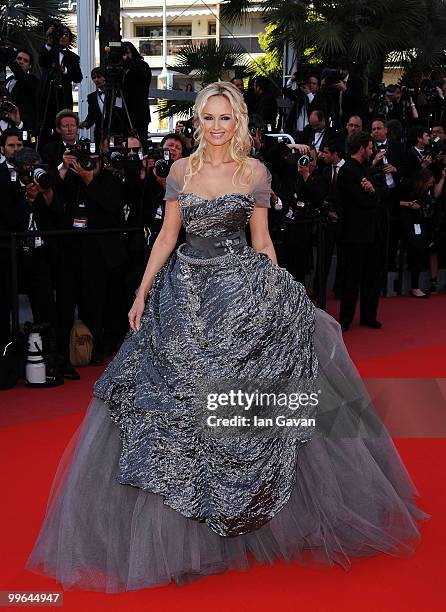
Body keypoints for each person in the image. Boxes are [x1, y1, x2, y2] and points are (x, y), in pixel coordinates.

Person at [27, 82, 426, 592]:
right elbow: (168, 237)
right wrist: (142, 292)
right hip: (184, 295)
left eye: (226, 118)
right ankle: (185, 531)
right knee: (175, 408)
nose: (217, 127)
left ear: (238, 121)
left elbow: (261, 240)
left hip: (238, 293)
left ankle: (255, 513)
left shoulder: (253, 172)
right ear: (198, 120)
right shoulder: (181, 171)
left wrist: (278, 294)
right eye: (209, 118)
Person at [337, 131, 384, 331]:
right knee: (352, 278)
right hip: (354, 233)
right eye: (371, 147)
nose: (373, 151)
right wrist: (371, 194)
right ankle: (346, 318)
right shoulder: (347, 170)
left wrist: (372, 191)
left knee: (372, 276)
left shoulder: (367, 169)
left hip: (372, 232)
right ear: (362, 147)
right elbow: (362, 202)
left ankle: (368, 316)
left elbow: (379, 195)